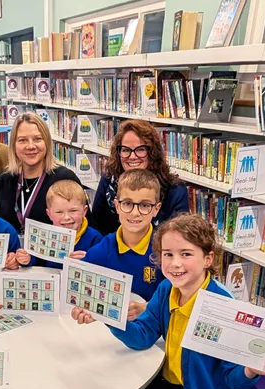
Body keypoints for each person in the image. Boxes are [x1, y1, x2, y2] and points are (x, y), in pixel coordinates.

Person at [71, 214, 265, 389]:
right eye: (168, 254)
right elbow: (143, 336)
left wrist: (250, 369)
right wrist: (108, 316)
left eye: (186, 254)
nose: (175, 264)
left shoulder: (222, 307)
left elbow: (233, 381)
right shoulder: (167, 289)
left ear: (208, 259)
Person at [90, 119, 188, 235]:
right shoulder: (108, 180)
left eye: (140, 150)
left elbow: (179, 237)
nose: (132, 156)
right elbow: (97, 226)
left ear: (152, 152)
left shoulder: (175, 190)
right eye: (126, 150)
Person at [83, 169, 164, 306]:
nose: (135, 213)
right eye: (127, 203)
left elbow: (179, 297)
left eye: (144, 205)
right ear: (117, 206)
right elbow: (81, 292)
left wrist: (147, 309)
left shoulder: (166, 251)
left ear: (156, 209)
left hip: (152, 325)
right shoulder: (101, 250)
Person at [0, 112, 81, 233]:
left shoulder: (65, 178)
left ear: (47, 142)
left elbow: (85, 225)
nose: (30, 146)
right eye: (22, 140)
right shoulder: (4, 181)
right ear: (13, 145)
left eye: (37, 139)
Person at [22, 180, 103, 269]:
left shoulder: (95, 238)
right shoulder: (44, 236)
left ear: (84, 211)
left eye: (73, 211)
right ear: (49, 214)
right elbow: (35, 260)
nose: (66, 217)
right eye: (59, 212)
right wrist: (26, 259)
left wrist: (89, 261)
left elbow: (103, 268)